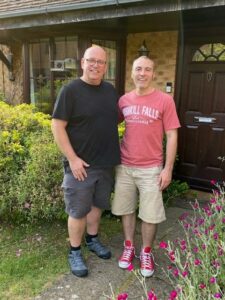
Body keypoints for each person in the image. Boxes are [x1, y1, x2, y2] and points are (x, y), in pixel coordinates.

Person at [51, 45, 120, 277]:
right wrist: (73, 159)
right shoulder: (70, 91)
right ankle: (74, 250)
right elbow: (57, 126)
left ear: (105, 66)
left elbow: (114, 120)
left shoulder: (110, 91)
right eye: (91, 60)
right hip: (80, 166)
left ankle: (92, 240)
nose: (96, 65)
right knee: (78, 210)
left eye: (100, 62)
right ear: (83, 62)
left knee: (97, 206)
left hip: (105, 164)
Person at [112, 56, 180, 277]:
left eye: (147, 69)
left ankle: (147, 252)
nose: (142, 73)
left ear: (153, 74)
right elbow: (108, 123)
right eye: (138, 69)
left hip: (151, 167)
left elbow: (171, 135)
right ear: (132, 73)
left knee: (150, 215)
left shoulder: (164, 101)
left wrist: (167, 168)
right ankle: (129, 246)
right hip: (125, 166)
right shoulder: (124, 100)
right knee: (126, 209)